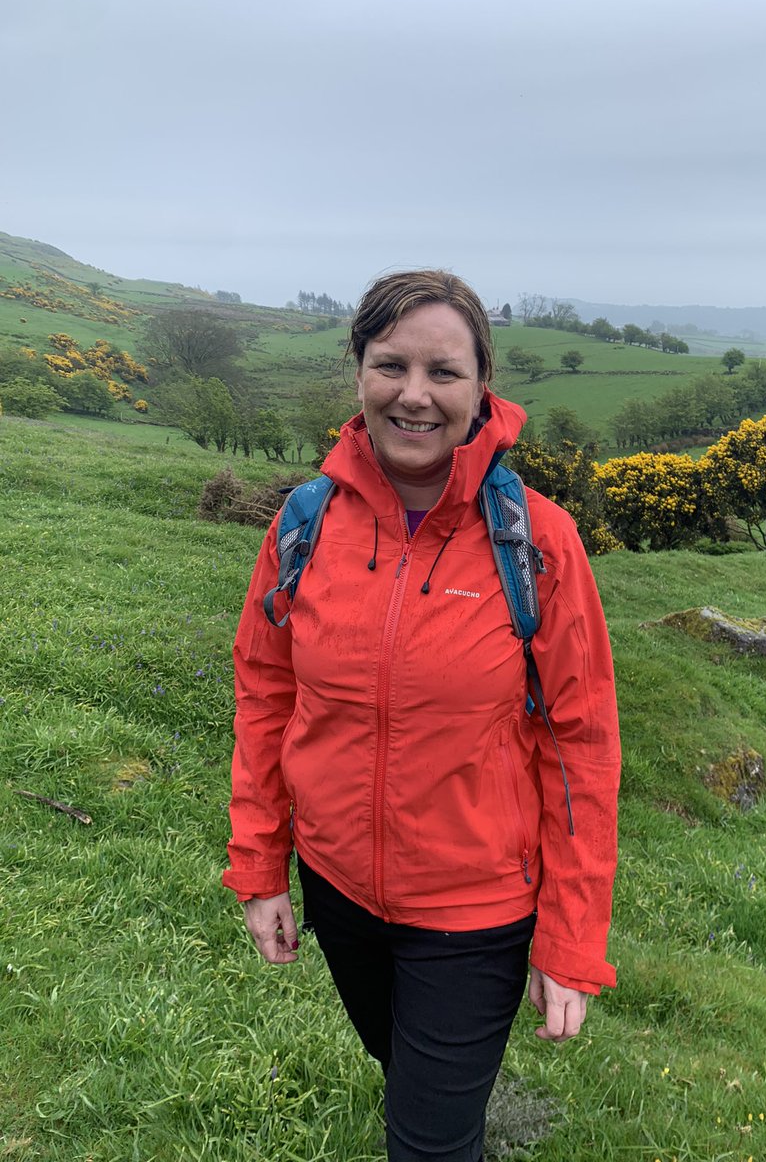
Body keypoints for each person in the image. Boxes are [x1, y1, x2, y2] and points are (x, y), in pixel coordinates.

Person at [223, 269, 620, 1162]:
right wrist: (261, 865)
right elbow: (267, 693)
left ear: (483, 386)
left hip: (473, 908)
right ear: (357, 371)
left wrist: (570, 937)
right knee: (406, 1076)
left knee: (428, 1143)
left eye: (443, 371)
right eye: (389, 364)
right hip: (338, 887)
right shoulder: (304, 522)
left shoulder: (539, 542)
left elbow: (581, 746)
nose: (414, 394)